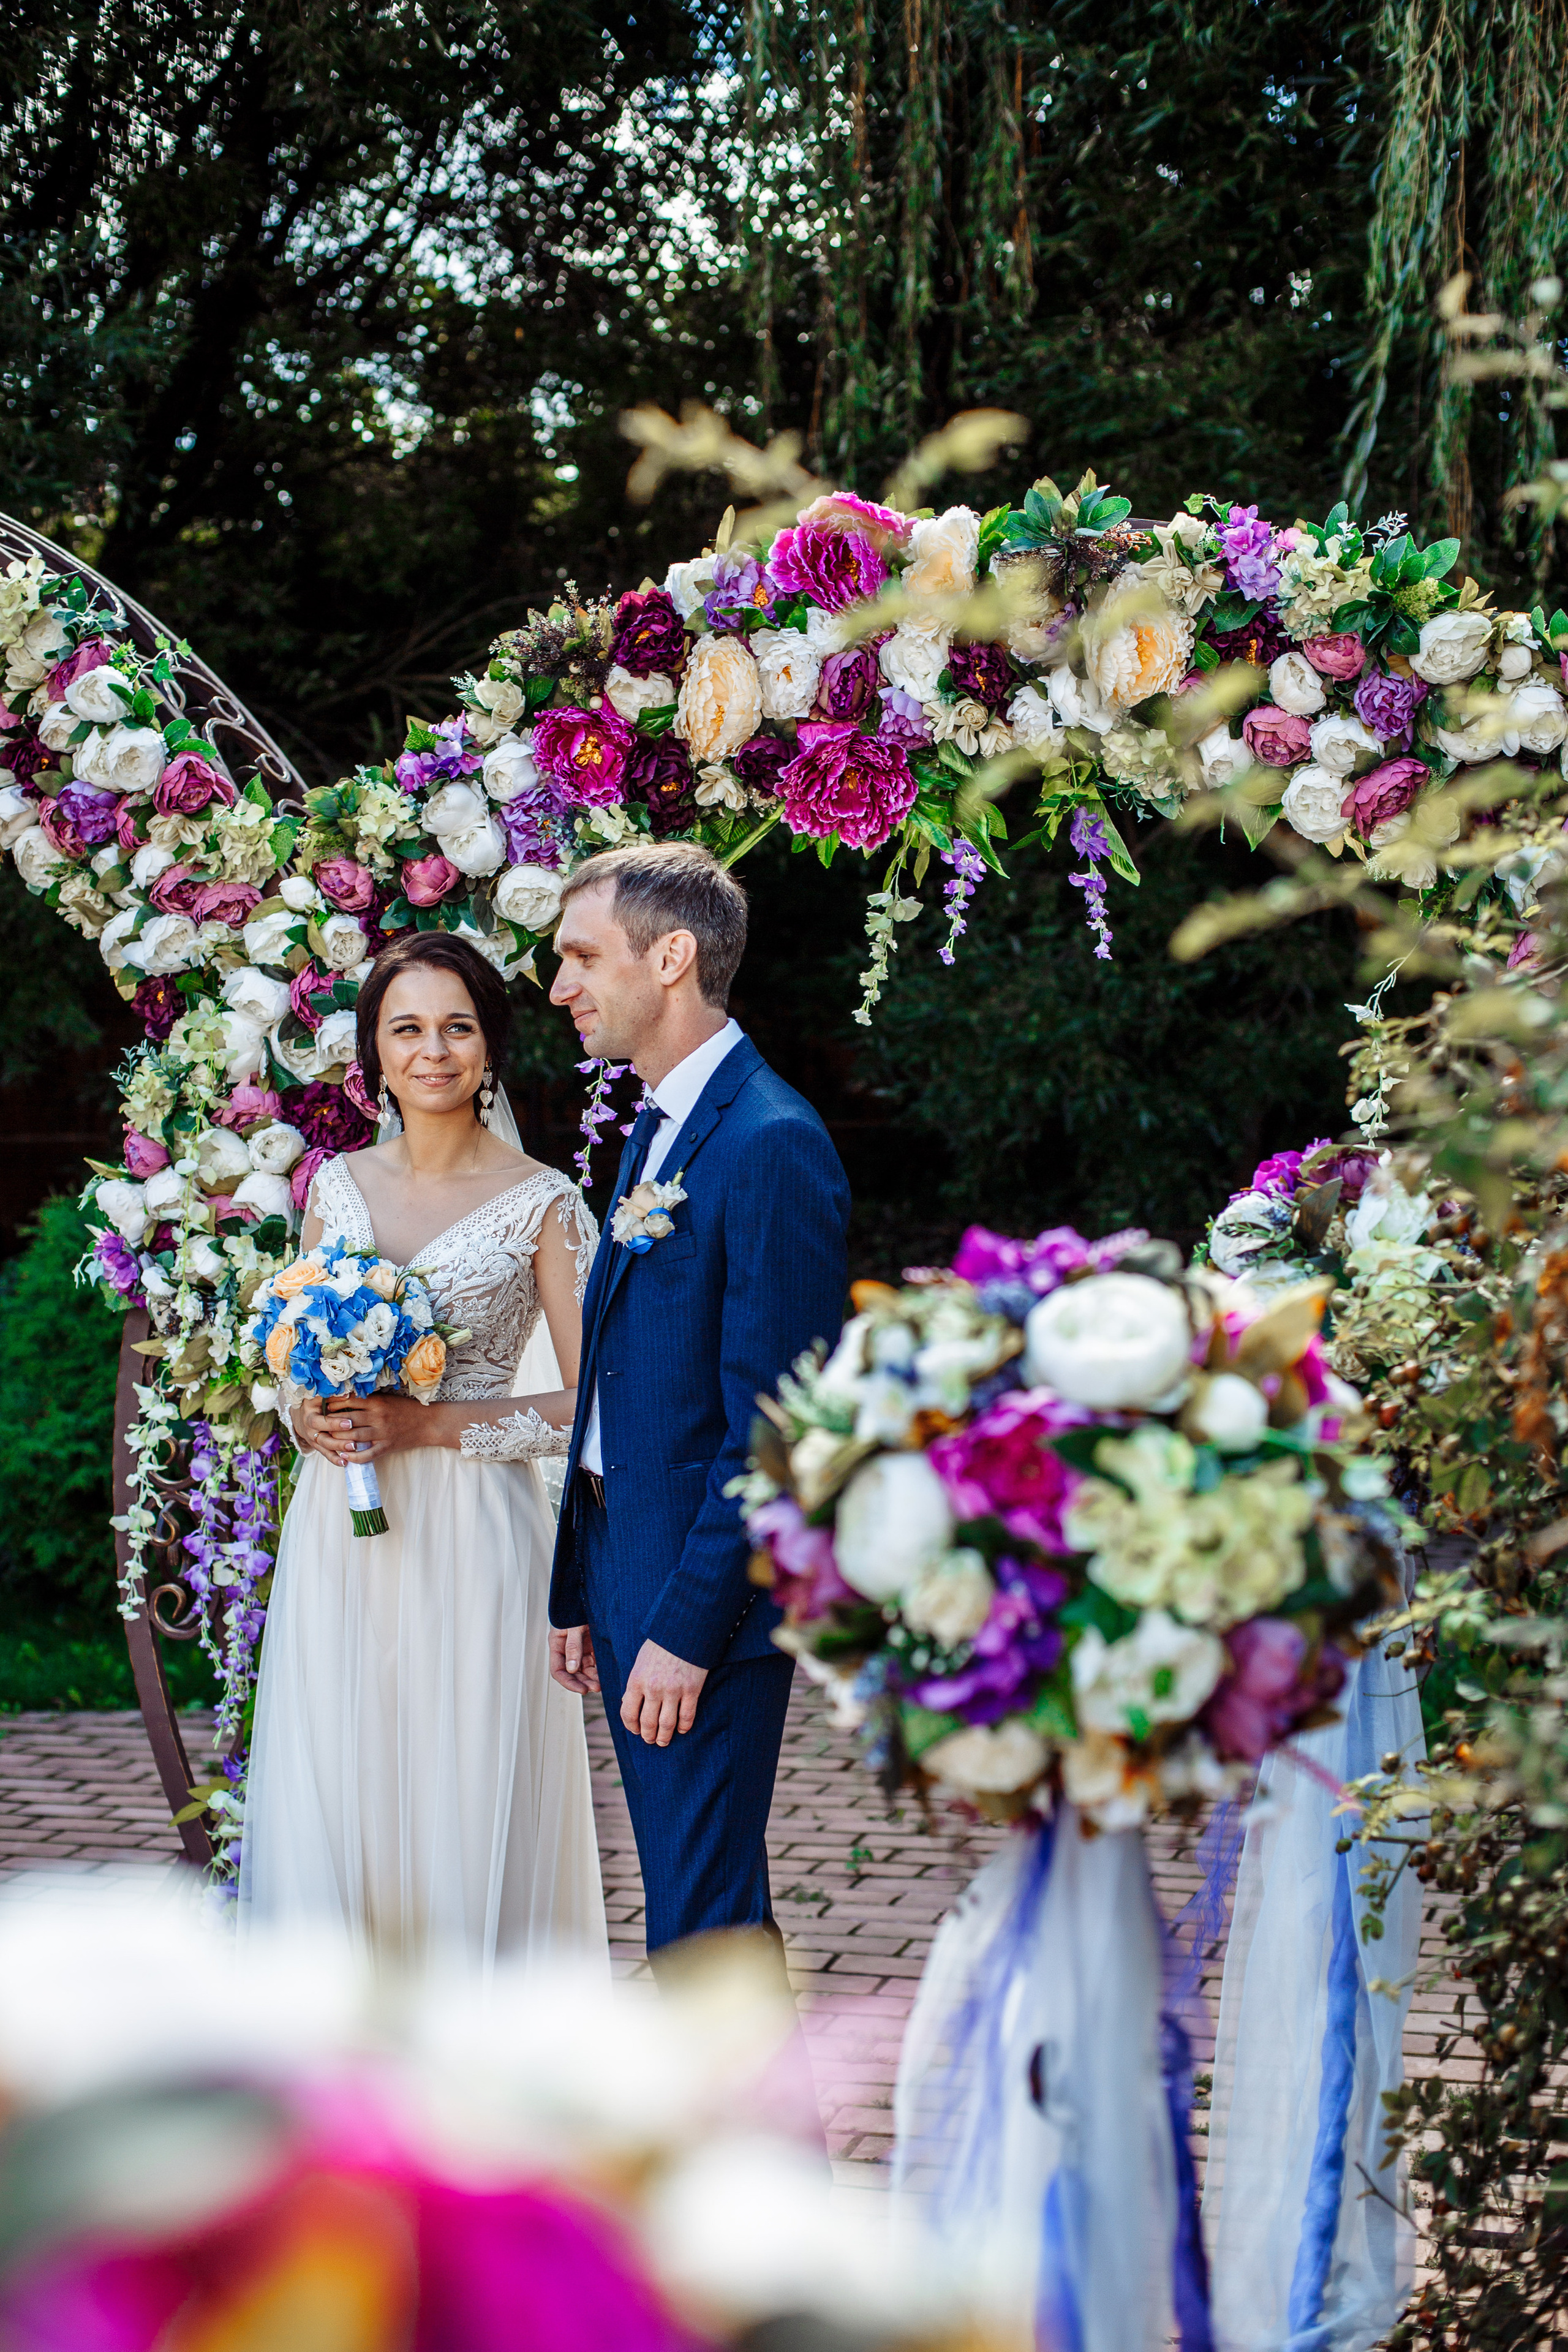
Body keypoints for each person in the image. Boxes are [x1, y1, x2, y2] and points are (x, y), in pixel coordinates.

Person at [239, 930, 608, 1972]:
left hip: (476, 1531)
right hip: (342, 1527)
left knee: (463, 1780)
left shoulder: (546, 1204)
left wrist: (426, 1426)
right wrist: (304, 1415)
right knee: (339, 1774)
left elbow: (594, 1406)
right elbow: (298, 1353)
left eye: (458, 1028)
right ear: (375, 1052)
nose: (433, 1051)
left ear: (490, 1047)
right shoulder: (335, 1188)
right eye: (407, 1029)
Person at [546, 841, 850, 1967]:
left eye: (583, 957)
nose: (560, 987)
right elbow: (628, 1374)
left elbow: (777, 1429)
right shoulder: (661, 1122)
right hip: (631, 1565)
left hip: (700, 1597)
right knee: (702, 1909)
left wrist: (685, 1630)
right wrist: (581, 1581)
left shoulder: (771, 1142)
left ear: (670, 957)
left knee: (702, 1927)